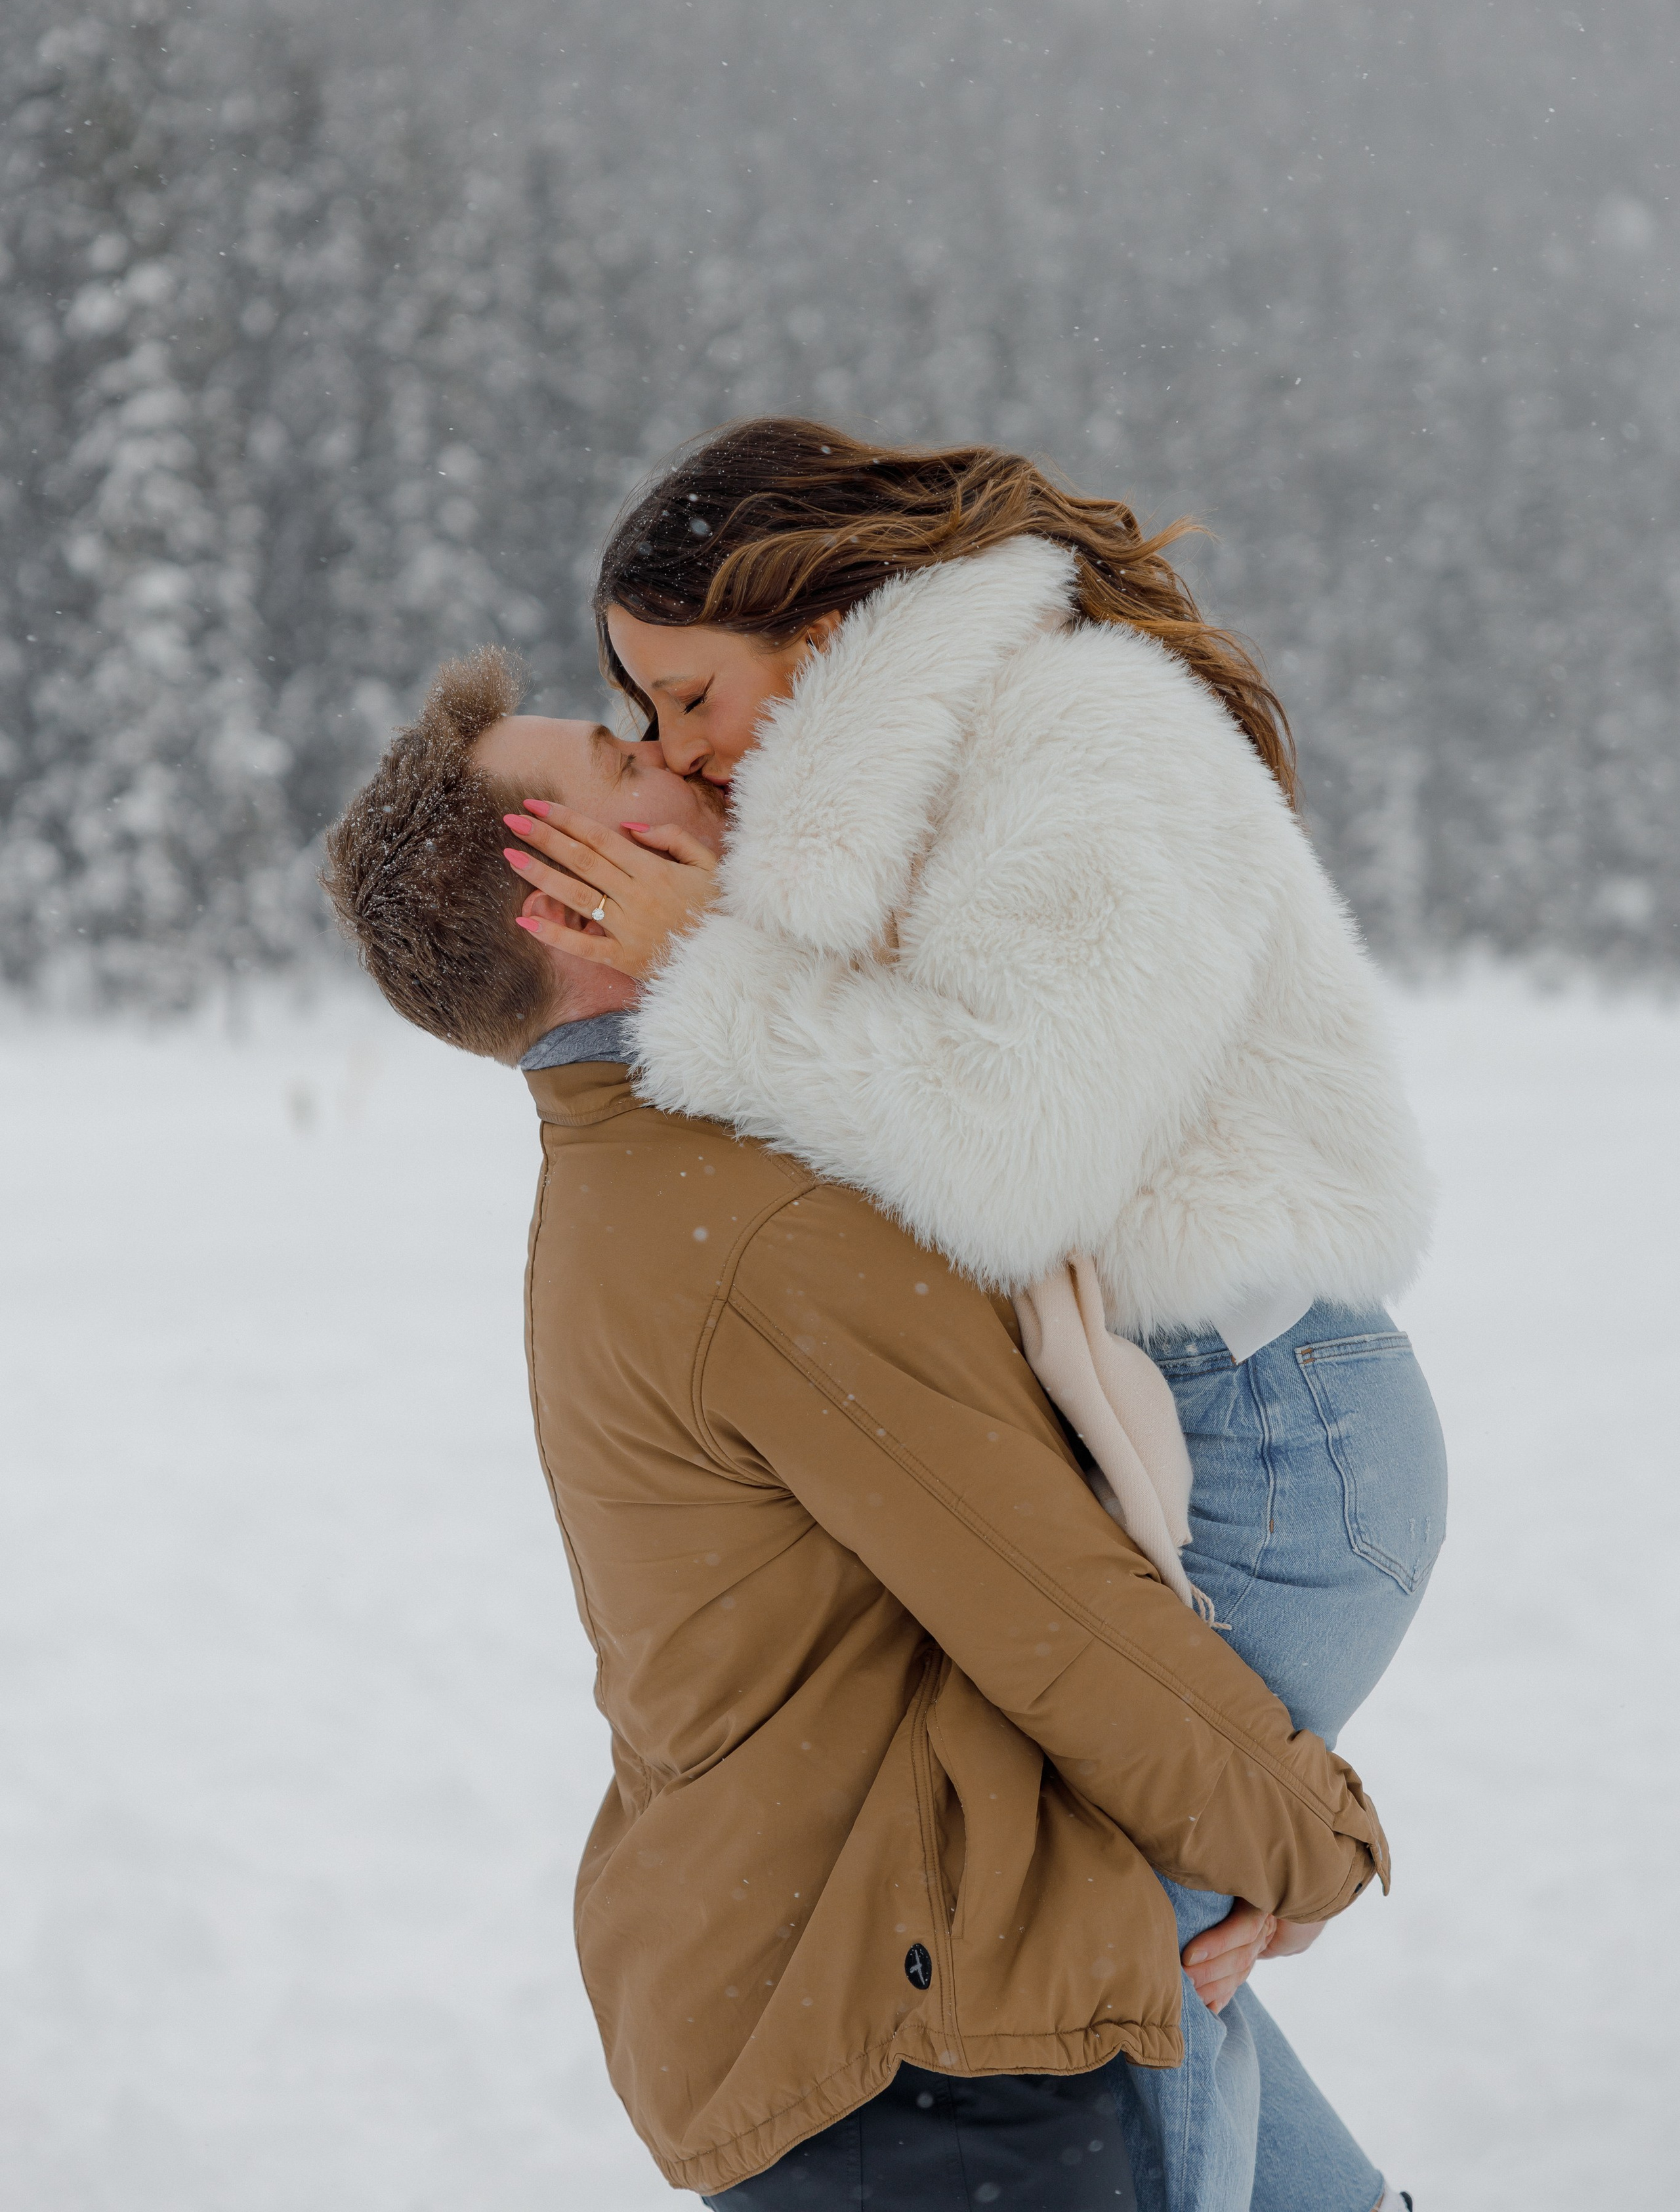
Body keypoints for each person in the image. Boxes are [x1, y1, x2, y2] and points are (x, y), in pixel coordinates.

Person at [499, 419, 1444, 2212]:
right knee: (1121, 1927)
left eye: (685, 694)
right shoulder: (943, 774)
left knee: (1087, 1949)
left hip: (1265, 1424)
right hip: (1173, 1400)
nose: (689, 748)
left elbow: (1008, 1147)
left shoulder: (1081, 740)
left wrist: (716, 964)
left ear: (817, 617)